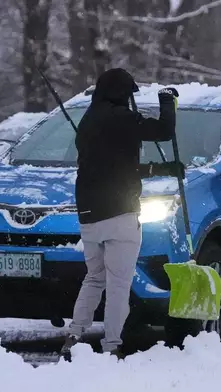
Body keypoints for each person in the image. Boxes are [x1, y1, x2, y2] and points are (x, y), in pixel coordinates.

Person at [61, 68, 183, 360]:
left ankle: (74, 337)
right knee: (118, 284)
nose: (131, 101)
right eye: (129, 95)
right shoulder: (123, 118)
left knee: (94, 278)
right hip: (120, 214)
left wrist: (161, 170)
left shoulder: (88, 121)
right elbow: (163, 132)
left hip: (89, 215)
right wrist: (168, 103)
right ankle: (112, 344)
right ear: (122, 94)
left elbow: (115, 167)